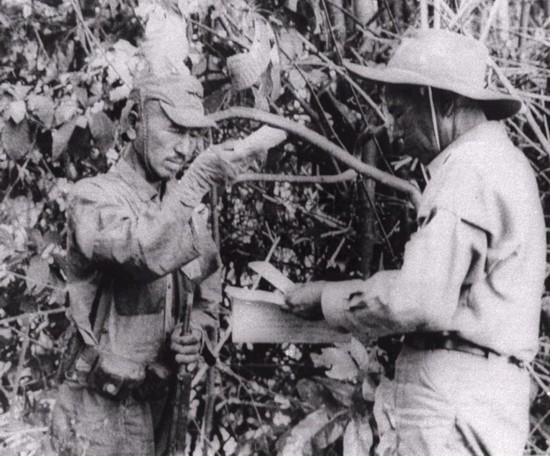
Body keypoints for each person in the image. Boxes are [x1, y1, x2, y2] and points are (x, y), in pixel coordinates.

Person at [285, 29, 545, 456]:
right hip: (483, 397)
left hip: (453, 404)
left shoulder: (468, 168)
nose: (392, 128)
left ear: (441, 103)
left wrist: (328, 299)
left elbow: (420, 299)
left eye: (399, 112)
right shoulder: (502, 162)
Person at [50, 73, 260, 455]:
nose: (186, 148)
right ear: (133, 124)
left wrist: (194, 336)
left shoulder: (183, 211)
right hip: (98, 416)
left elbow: (208, 293)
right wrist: (194, 184)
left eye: (193, 134)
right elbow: (140, 251)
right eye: (175, 130)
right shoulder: (93, 199)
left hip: (160, 408)